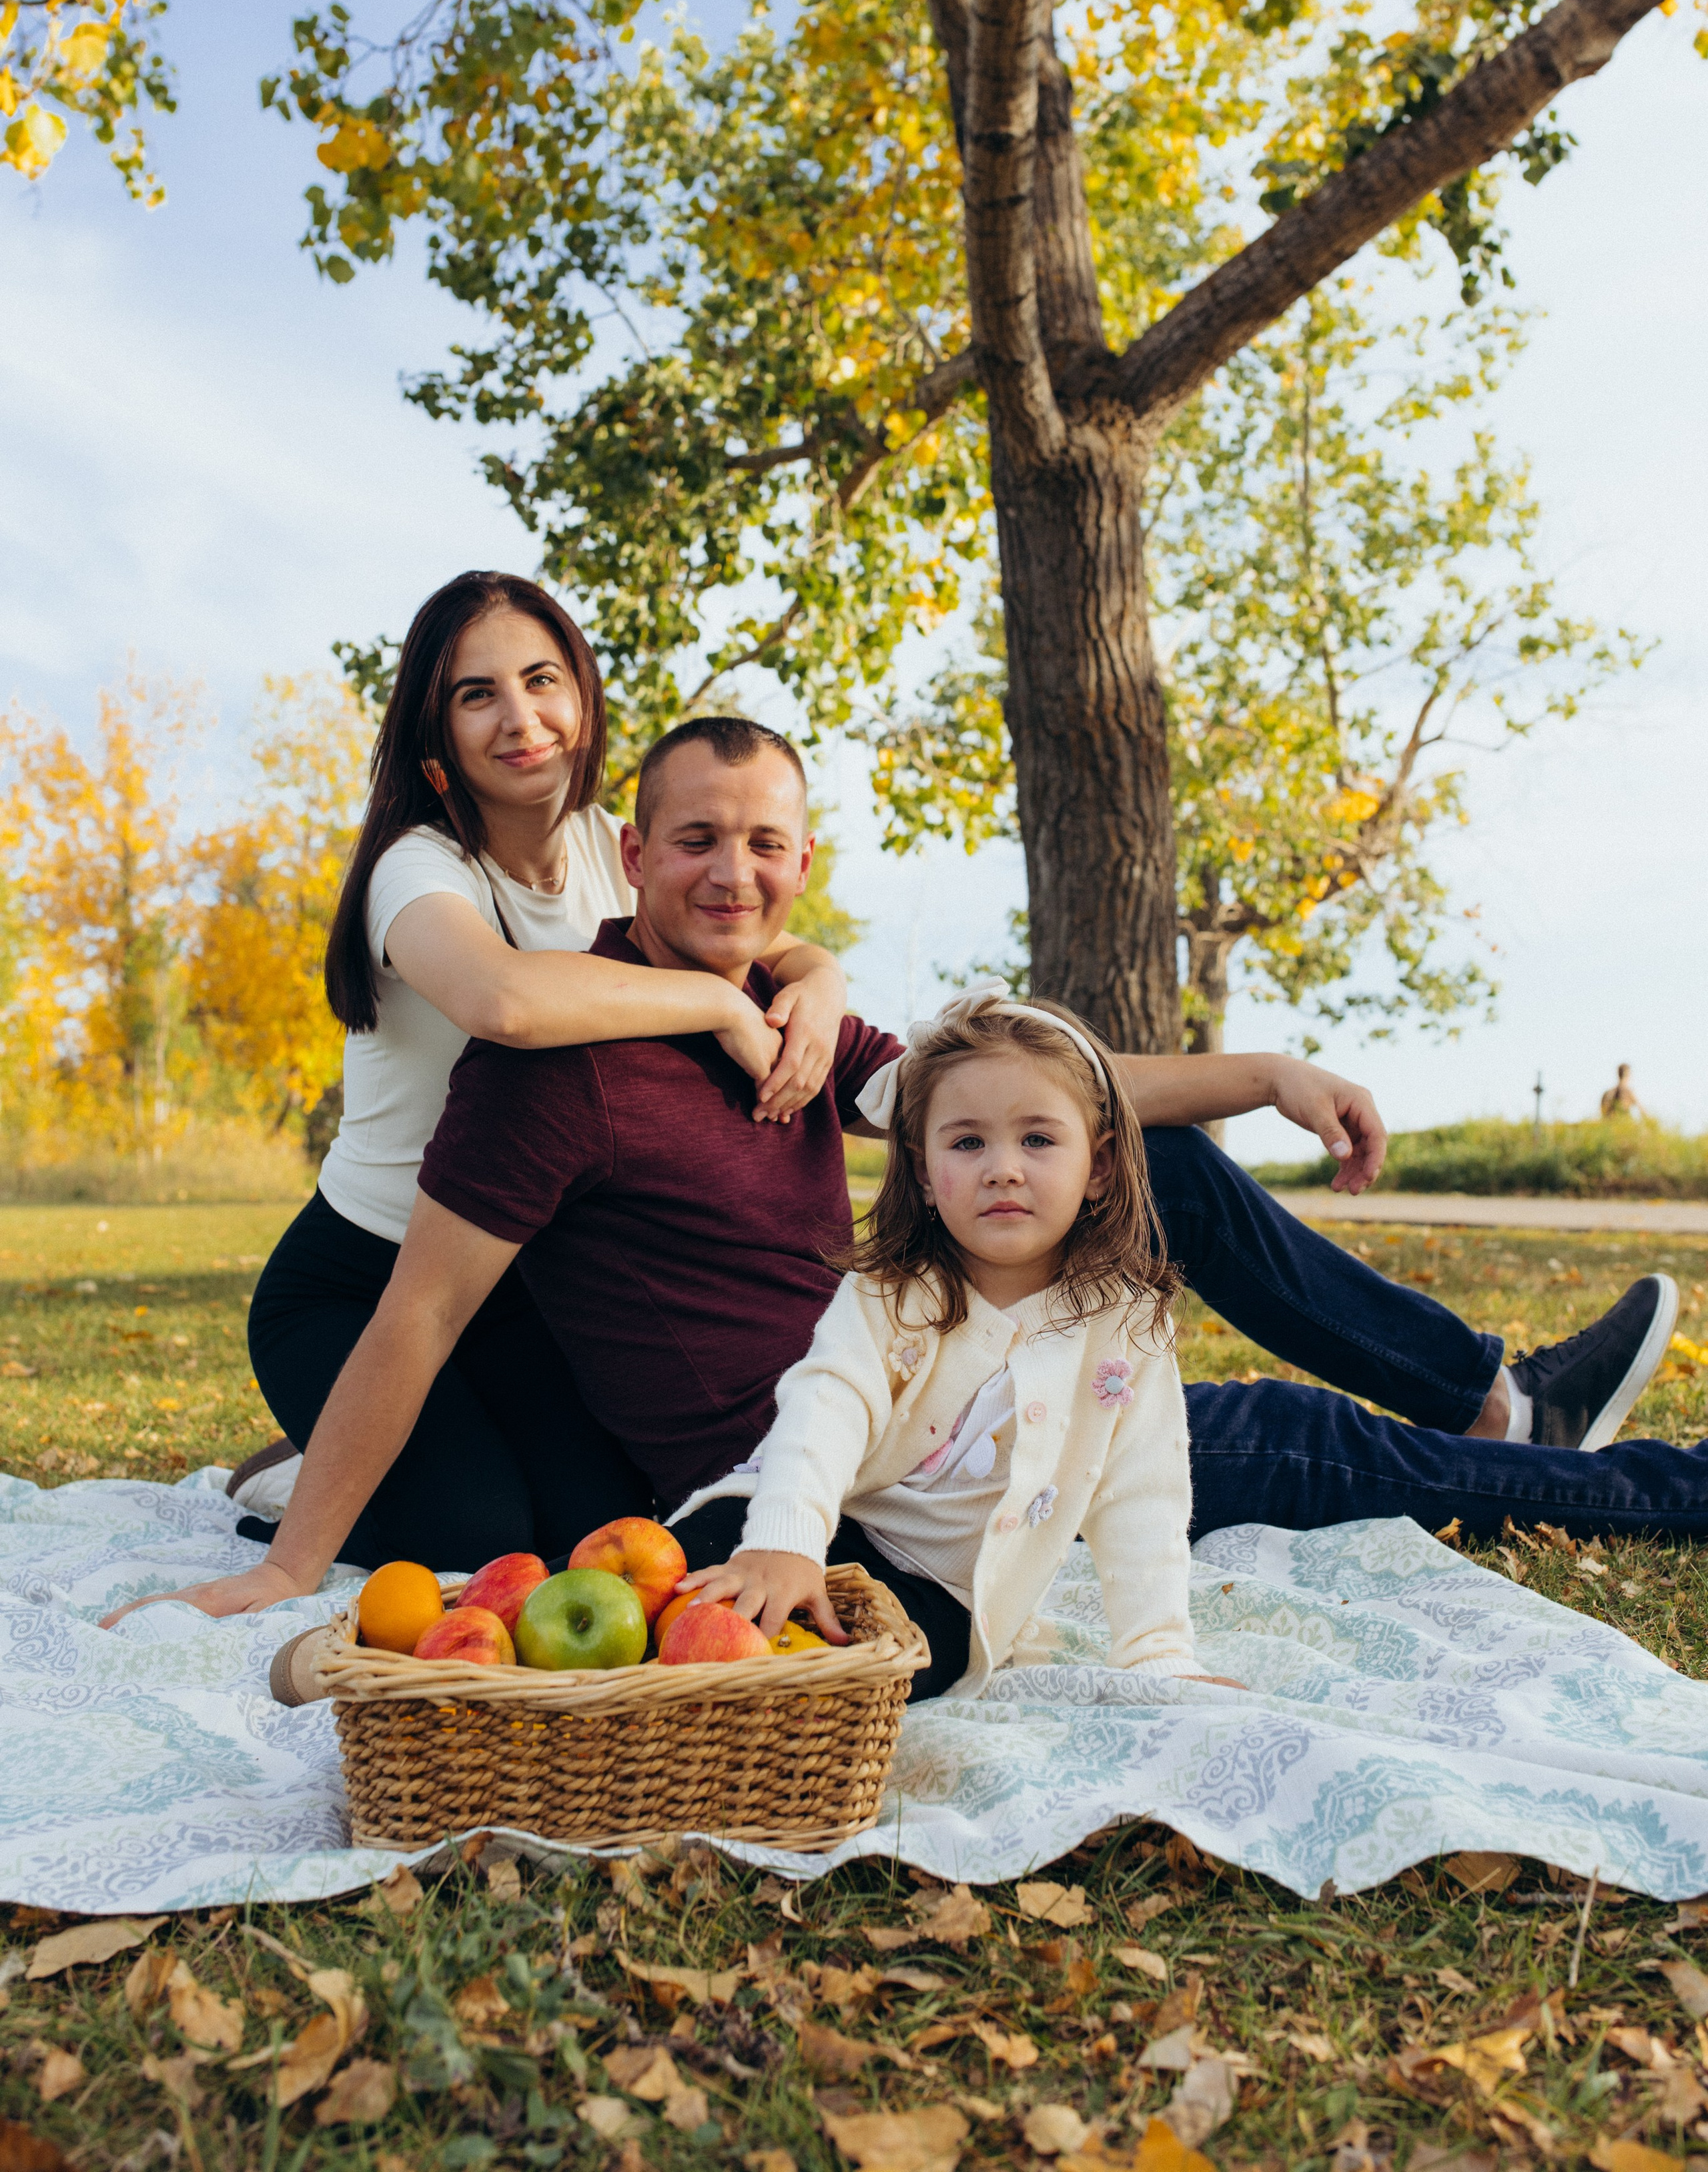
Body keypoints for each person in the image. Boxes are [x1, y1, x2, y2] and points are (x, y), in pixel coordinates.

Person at [111, 713, 1691, 1636]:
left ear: (802, 864)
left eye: (764, 843)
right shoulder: (554, 1065)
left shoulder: (796, 1018)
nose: (730, 871)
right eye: (693, 840)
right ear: (634, 854)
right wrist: (302, 1566)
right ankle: (1640, 1479)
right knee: (1295, 1437)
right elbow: (417, 1313)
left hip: (924, 1397)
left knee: (1151, 1191)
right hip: (817, 1488)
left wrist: (1269, 1070)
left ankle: (1515, 1411)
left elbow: (1044, 1088)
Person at [232, 573, 852, 1572]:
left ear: (583, 694)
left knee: (596, 1535)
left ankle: (406, 1449)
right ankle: (310, 1472)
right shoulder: (417, 869)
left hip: (519, 1282)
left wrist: (821, 979)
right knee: (468, 1537)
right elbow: (506, 1003)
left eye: (541, 680)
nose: (522, 720)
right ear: (434, 735)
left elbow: (770, 943)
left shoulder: (612, 847)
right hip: (363, 1281)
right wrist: (717, 1003)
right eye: (477, 695)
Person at [673, 988, 1242, 1701]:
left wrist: (1155, 1653)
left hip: (947, 1592)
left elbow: (1143, 1494)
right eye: (968, 1142)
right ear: (921, 1171)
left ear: (1097, 1166)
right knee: (674, 1587)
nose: (1003, 1168)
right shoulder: (893, 1289)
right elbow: (828, 1403)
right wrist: (787, 1541)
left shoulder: (1124, 1325)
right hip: (813, 1518)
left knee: (850, 1681)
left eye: (1037, 1139)